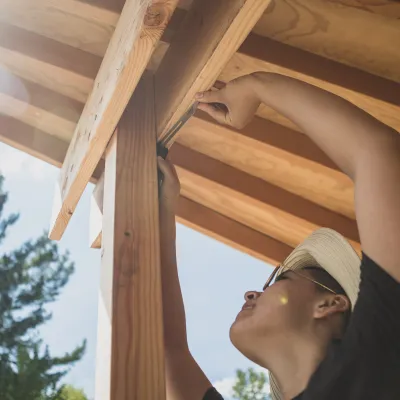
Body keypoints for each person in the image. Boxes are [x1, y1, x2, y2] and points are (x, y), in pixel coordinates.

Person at [157, 73, 400, 400]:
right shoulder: (377, 362)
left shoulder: (378, 361)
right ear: (329, 303)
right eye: (277, 282)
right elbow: (377, 153)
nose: (250, 294)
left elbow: (166, 349)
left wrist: (158, 213)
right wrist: (256, 87)